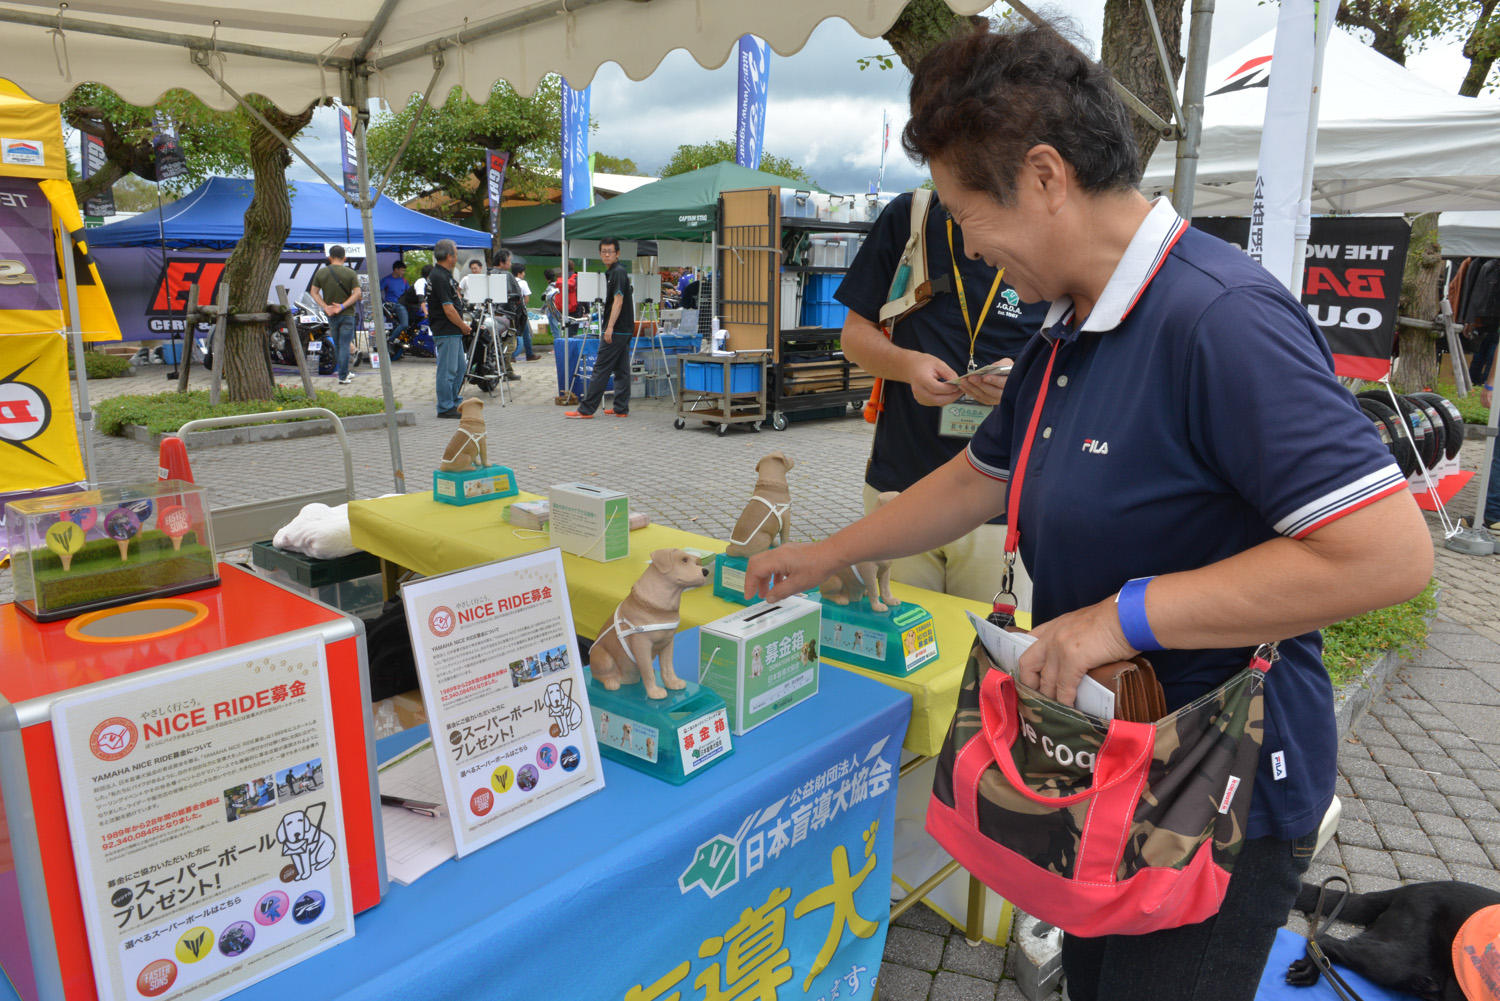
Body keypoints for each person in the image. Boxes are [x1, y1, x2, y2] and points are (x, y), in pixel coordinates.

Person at [745, 24, 1433, 1001]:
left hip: (1217, 788)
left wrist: (1120, 616)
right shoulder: (1067, 323)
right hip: (1119, 760)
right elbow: (982, 475)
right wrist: (828, 552)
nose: (968, 245)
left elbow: (1389, 557)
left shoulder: (1218, 318)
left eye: (966, 212)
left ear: (1044, 175)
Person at [840, 191, 1045, 603]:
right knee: (895, 649)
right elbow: (853, 337)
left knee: (989, 658)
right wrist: (907, 365)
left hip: (1005, 505)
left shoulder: (1046, 223)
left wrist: (1023, 383)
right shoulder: (912, 215)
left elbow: (1087, 358)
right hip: (901, 491)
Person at [565, 238, 636, 418]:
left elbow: (618, 301)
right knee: (621, 369)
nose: (606, 254)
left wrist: (609, 327)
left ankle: (586, 409)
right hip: (625, 328)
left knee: (601, 368)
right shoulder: (614, 272)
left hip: (618, 328)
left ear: (617, 253)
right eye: (603, 251)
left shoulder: (618, 272)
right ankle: (621, 408)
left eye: (610, 251)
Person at [309, 245, 362, 385]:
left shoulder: (321, 273)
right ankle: (343, 376)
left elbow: (313, 292)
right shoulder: (350, 273)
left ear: (329, 257)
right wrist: (343, 306)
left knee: (339, 345)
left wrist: (325, 306)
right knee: (344, 345)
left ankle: (344, 372)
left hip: (331, 314)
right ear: (344, 258)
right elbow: (357, 293)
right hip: (348, 313)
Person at [427, 239, 467, 418]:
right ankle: (445, 406)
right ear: (449, 256)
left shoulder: (445, 275)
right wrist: (463, 325)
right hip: (446, 329)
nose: (456, 256)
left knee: (460, 367)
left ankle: (454, 400)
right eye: (456, 253)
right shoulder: (439, 276)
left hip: (453, 330)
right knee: (448, 370)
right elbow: (448, 308)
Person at [510, 259, 539, 361]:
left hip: (509, 311)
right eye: (523, 272)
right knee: (525, 334)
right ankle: (529, 354)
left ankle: (510, 354)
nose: (524, 274)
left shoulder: (509, 281)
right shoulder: (523, 283)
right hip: (521, 312)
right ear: (519, 273)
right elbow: (526, 298)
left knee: (512, 333)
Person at [380, 260, 411, 339]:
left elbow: (409, 293)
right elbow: (377, 291)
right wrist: (383, 303)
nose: (403, 272)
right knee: (404, 324)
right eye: (402, 270)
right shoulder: (386, 280)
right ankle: (390, 340)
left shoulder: (404, 281)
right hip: (393, 306)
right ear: (396, 270)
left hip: (402, 305)